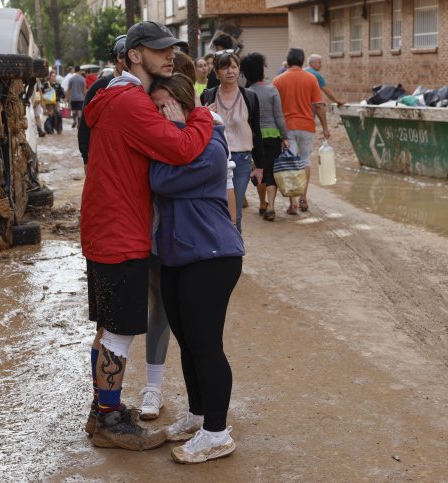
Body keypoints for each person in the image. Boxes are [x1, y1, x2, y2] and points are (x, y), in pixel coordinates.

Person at [81, 20, 214, 451]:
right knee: (118, 332)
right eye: (159, 50)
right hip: (121, 230)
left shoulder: (111, 96)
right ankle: (108, 422)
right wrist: (200, 116)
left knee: (107, 329)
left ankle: (105, 410)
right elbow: (181, 149)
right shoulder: (132, 102)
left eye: (170, 48)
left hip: (106, 227)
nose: (169, 55)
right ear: (135, 55)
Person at [148, 73, 245, 464]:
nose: (159, 113)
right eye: (154, 106)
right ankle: (199, 416)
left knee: (206, 346)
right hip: (176, 256)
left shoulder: (211, 146)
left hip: (212, 256)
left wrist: (173, 130)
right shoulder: (172, 143)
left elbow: (160, 179)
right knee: (188, 343)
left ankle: (217, 433)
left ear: (185, 106)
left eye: (166, 106)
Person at [200, 51, 264, 232]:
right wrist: (204, 114)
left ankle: (234, 251)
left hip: (242, 160)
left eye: (234, 67)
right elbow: (198, 130)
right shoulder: (208, 96)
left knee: (234, 210)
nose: (230, 71)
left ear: (239, 70)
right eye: (225, 67)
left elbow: (256, 131)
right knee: (214, 206)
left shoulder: (249, 97)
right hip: (215, 158)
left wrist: (259, 166)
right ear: (217, 72)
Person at [273, 48, 330, 214]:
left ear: (288, 60)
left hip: (286, 127)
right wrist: (325, 128)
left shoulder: (278, 80)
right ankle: (303, 198)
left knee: (291, 162)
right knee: (305, 161)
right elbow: (319, 106)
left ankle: (292, 203)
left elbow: (274, 107)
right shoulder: (311, 79)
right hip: (307, 126)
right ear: (303, 61)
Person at [240, 53, 289, 222]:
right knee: (270, 171)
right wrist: (285, 136)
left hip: (254, 138)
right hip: (273, 136)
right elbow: (279, 117)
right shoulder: (271, 90)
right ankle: (272, 207)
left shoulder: (246, 93)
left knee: (259, 169)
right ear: (261, 71)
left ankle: (262, 203)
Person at [78, 35, 126, 170]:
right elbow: (85, 125)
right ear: (119, 57)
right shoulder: (100, 86)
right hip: (105, 159)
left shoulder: (143, 84)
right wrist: (86, 159)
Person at [40, 70, 65, 134]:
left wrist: (60, 99)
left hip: (56, 102)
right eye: (52, 76)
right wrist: (48, 90)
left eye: (54, 76)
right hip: (48, 103)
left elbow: (62, 94)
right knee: (51, 115)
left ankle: (59, 129)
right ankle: (49, 129)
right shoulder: (45, 84)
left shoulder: (58, 85)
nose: (53, 77)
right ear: (50, 76)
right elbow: (41, 92)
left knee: (58, 114)